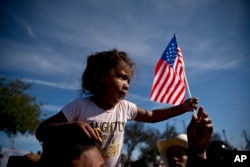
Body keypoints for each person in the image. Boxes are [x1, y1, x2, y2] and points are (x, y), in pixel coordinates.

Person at [35, 49, 198, 167]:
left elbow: (151, 115)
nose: (127, 85)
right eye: (122, 77)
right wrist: (72, 126)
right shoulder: (80, 106)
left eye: (129, 80)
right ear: (100, 77)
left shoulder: (125, 108)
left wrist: (182, 108)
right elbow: (41, 130)